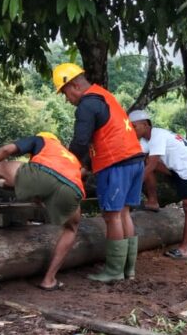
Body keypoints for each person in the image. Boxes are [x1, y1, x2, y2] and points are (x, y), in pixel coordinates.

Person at [0, 132, 84, 291]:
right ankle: (49, 279)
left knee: (2, 167)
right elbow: (35, 183)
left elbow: (6, 150)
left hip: (46, 176)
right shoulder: (69, 157)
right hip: (73, 188)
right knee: (71, 229)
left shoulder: (42, 140)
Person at [53, 63, 145, 282]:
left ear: (73, 85)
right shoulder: (104, 96)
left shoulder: (87, 105)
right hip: (135, 159)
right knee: (123, 213)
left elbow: (80, 141)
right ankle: (128, 270)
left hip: (115, 163)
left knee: (112, 216)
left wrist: (67, 167)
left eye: (65, 93)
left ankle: (114, 271)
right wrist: (85, 166)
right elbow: (103, 135)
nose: (67, 99)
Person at [129, 110, 187, 260]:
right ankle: (153, 202)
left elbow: (151, 166)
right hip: (176, 168)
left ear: (145, 125)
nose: (131, 130)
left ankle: (183, 249)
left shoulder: (157, 136)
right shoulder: (146, 139)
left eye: (134, 127)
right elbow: (136, 157)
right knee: (143, 162)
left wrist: (130, 187)